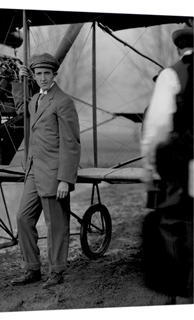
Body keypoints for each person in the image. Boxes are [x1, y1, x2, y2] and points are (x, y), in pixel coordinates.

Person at [10, 53, 81, 289]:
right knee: (23, 218)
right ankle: (31, 268)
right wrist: (19, 83)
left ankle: (57, 271)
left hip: (54, 173)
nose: (42, 78)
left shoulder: (63, 101)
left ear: (54, 75)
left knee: (56, 225)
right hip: (33, 170)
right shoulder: (35, 100)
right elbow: (21, 108)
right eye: (38, 74)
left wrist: (65, 180)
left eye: (46, 74)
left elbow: (71, 143)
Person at [141, 21, 193, 300]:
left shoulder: (172, 77)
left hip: (177, 163)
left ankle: (175, 290)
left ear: (179, 46)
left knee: (173, 221)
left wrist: (151, 166)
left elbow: (154, 131)